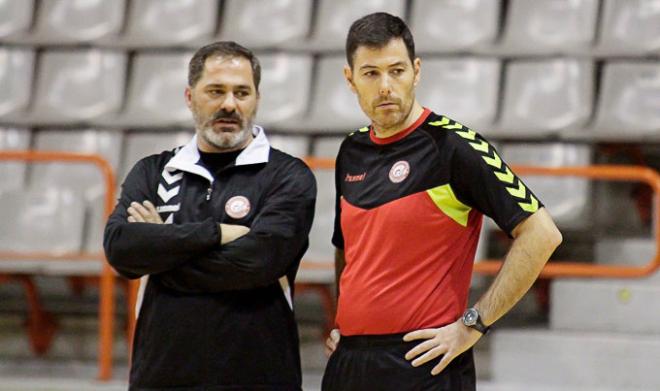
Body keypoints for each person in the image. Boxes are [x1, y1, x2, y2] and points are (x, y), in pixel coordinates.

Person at [322, 12, 562, 391]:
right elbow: (347, 249)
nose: (386, 86)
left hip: (424, 365)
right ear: (350, 79)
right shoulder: (351, 149)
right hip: (349, 364)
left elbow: (542, 234)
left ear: (416, 71)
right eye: (371, 73)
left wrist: (474, 324)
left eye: (396, 71)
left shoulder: (455, 146)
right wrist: (341, 323)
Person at [104, 41, 316, 391]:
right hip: (162, 378)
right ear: (190, 97)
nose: (229, 105)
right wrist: (216, 233)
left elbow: (258, 262)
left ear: (257, 99)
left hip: (261, 378)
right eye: (215, 91)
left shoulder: (288, 176)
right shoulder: (154, 172)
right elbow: (122, 251)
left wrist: (163, 251)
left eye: (241, 92)